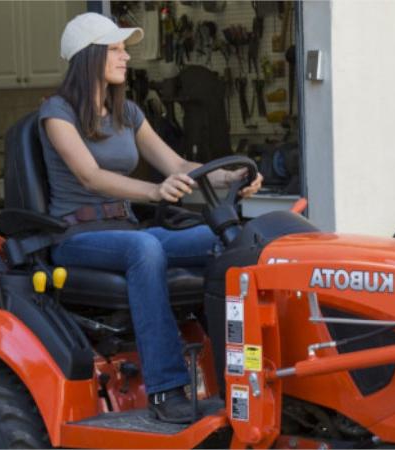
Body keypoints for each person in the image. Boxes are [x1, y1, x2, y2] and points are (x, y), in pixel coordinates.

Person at [42, 13, 261, 424]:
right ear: (89, 56)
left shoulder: (127, 113)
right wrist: (152, 191)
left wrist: (232, 174)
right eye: (117, 48)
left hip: (125, 230)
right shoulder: (57, 112)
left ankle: (240, 374)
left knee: (231, 240)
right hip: (76, 236)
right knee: (144, 247)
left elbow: (177, 163)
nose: (126, 56)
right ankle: (166, 390)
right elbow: (90, 175)